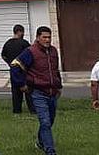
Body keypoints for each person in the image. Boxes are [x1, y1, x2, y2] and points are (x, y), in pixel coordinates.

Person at [10, 26, 62, 155]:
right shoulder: (30, 51)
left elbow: (55, 70)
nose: (47, 40)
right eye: (44, 37)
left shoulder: (54, 51)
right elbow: (15, 66)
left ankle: (40, 141)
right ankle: (50, 150)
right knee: (44, 121)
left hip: (52, 92)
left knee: (49, 121)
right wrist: (21, 84)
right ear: (38, 38)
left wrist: (59, 85)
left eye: (49, 37)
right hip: (38, 92)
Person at [1, 25, 35, 115]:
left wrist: (9, 63)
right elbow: (31, 55)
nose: (23, 34)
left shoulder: (7, 43)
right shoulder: (24, 43)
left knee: (16, 92)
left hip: (13, 71)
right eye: (22, 32)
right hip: (24, 71)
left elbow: (3, 55)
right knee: (28, 91)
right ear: (20, 32)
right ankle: (32, 110)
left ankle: (17, 111)